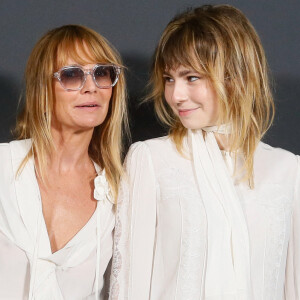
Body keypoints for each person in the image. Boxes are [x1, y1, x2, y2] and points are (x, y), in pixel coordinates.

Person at [109, 5, 299, 300]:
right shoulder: (151, 159)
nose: (175, 95)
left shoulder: (287, 169)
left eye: (191, 78)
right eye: (169, 78)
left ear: (234, 75)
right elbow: (129, 285)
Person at [0, 24, 128, 299]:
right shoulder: (2, 167)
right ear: (41, 90)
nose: (91, 87)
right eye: (72, 76)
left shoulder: (119, 197)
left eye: (101, 73)